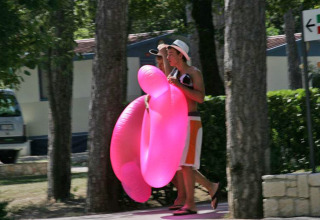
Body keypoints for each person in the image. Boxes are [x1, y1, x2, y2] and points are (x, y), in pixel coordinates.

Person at [162, 39, 220, 215]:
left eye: (172, 54)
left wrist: (179, 86)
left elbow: (200, 98)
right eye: (168, 54)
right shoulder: (174, 73)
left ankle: (191, 204)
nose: (169, 57)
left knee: (186, 165)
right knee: (183, 165)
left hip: (191, 121)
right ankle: (210, 187)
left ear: (181, 55)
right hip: (179, 123)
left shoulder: (193, 73)